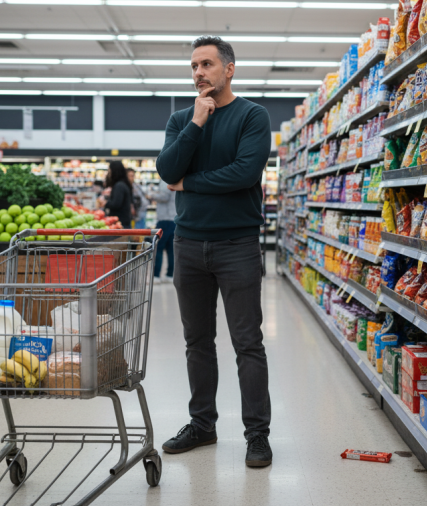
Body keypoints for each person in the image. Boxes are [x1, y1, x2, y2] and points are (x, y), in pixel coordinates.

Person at [155, 35, 273, 468]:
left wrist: (189, 184)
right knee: (197, 343)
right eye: (194, 66)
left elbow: (245, 173)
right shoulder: (182, 119)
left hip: (237, 244)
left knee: (248, 344)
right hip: (188, 245)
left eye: (207, 64)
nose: (199, 73)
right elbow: (168, 170)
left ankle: (257, 435)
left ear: (229, 68)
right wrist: (197, 124)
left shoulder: (252, 116)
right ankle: (202, 425)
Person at [150, 183, 176, 283]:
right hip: (173, 218)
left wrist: (151, 194)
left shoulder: (166, 180)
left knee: (158, 248)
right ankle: (170, 274)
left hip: (165, 219)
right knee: (171, 249)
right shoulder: (175, 177)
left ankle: (156, 275)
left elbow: (164, 196)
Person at [103, 161, 132, 229]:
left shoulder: (119, 186)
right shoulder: (123, 184)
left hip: (121, 224)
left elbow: (116, 204)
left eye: (109, 172)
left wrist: (105, 203)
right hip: (123, 222)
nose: (109, 174)